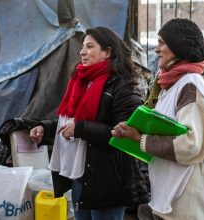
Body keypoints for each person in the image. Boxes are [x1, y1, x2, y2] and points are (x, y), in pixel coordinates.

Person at [112, 18, 204, 219]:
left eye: (162, 43)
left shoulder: (190, 84)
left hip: (187, 203)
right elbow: (165, 129)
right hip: (170, 197)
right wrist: (131, 132)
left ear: (178, 47)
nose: (156, 50)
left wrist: (141, 139)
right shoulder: (170, 85)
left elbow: (192, 143)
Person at [29, 27, 143, 220]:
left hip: (107, 180)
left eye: (90, 47)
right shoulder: (81, 81)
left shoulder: (122, 85)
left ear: (108, 52)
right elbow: (70, 120)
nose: (82, 52)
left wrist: (80, 129)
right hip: (81, 176)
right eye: (83, 47)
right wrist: (45, 128)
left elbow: (124, 134)